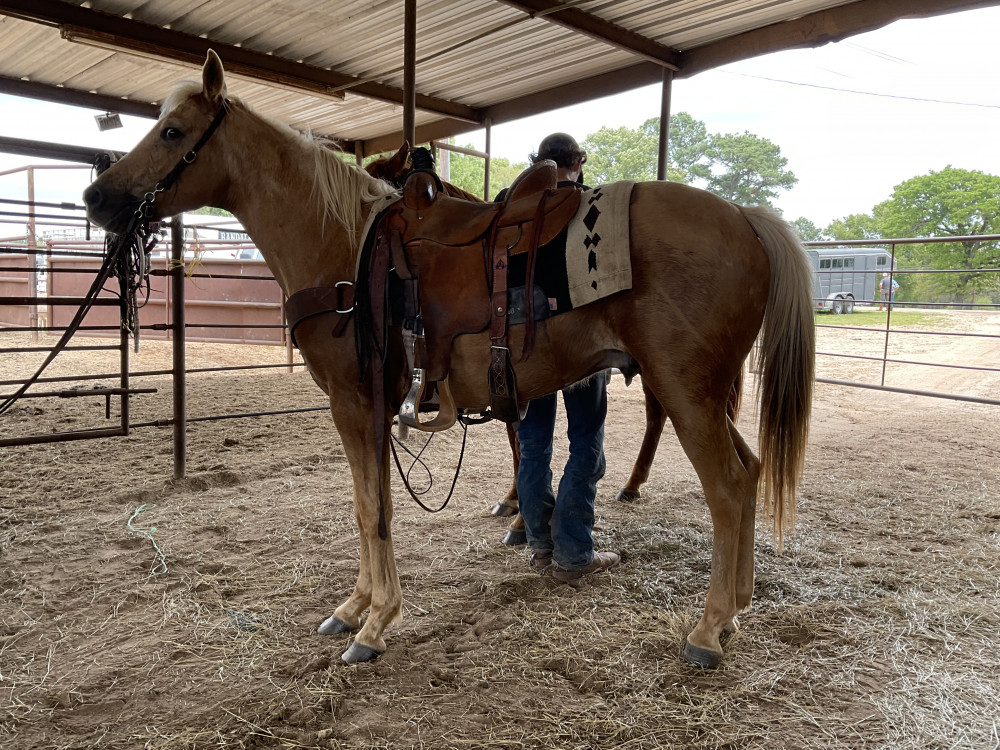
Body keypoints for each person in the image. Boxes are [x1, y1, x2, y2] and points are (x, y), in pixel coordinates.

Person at [504, 133, 620, 582]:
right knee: (586, 441)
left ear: (538, 162)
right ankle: (573, 553)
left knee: (533, 448)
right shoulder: (587, 202)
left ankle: (541, 546)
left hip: (520, 343)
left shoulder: (508, 202)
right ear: (576, 162)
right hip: (577, 343)